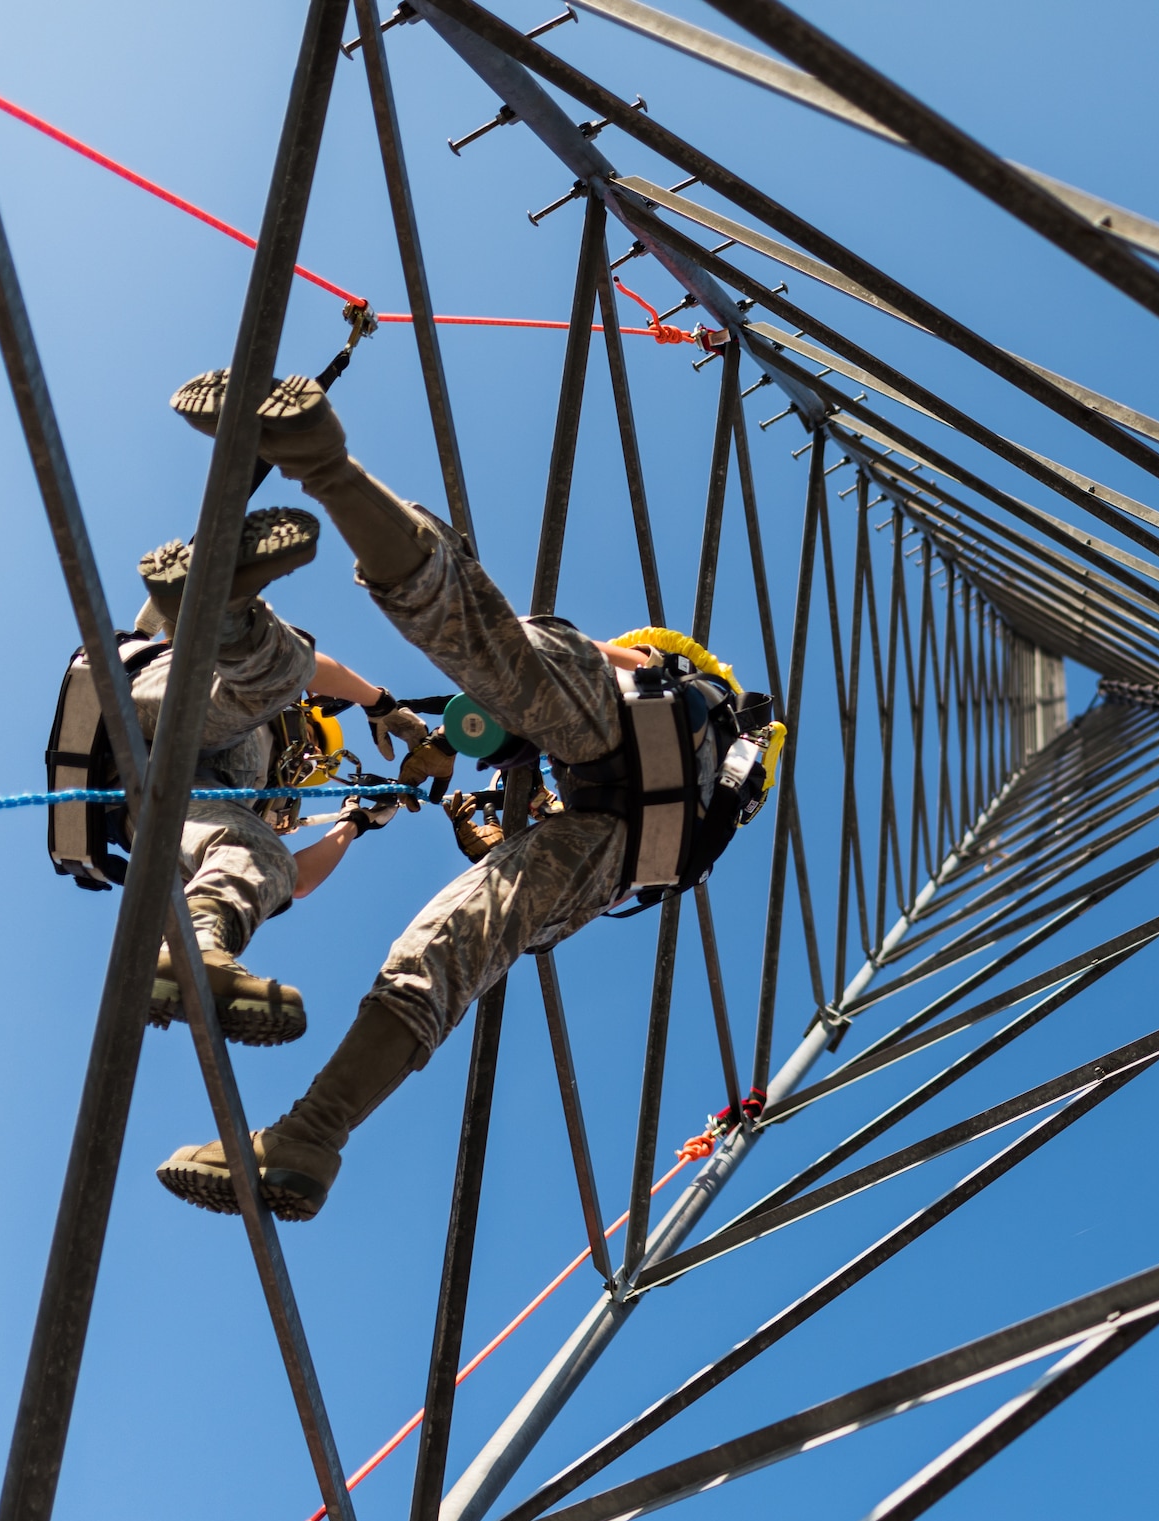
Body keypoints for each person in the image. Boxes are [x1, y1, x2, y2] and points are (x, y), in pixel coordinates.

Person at [155, 369, 778, 1220]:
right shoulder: (717, 763)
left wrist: (442, 736)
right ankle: (311, 1138)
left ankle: (321, 466)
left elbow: (536, 679)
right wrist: (464, 787)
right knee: (449, 950)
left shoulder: (668, 667)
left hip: (635, 742)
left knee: (490, 642)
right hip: (637, 844)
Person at [132, 503, 429, 1045]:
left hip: (171, 802)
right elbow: (313, 671)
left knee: (261, 853)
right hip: (169, 709)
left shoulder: (266, 806)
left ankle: (192, 952)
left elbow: (298, 879)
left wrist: (354, 822)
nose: (310, 760)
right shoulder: (280, 715)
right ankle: (216, 608)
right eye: (314, 746)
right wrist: (379, 702)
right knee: (274, 678)